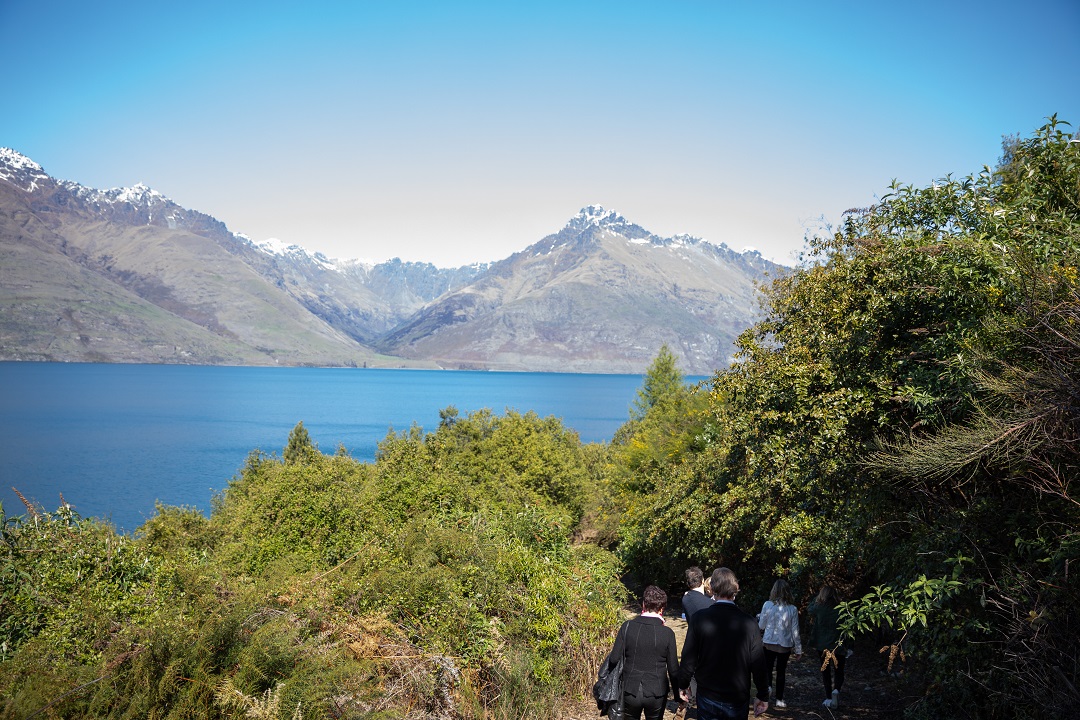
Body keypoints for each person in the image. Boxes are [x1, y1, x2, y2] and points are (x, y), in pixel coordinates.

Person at [678, 568, 769, 719]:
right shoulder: (749, 623)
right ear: (736, 589)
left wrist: (683, 683)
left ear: (712, 588)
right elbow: (758, 663)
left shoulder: (699, 618)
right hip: (736, 696)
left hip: (709, 694)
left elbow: (689, 658)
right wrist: (763, 694)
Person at [604, 585, 680, 720]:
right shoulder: (668, 633)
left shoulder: (627, 627)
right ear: (662, 609)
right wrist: (678, 695)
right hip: (657, 691)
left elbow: (614, 659)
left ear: (643, 604)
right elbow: (673, 670)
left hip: (630, 689)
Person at [757, 579, 802, 709]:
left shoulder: (767, 605)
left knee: (768, 669)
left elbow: (761, 625)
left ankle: (768, 690)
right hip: (784, 644)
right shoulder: (792, 609)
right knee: (781, 671)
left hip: (769, 642)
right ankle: (779, 699)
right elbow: (795, 630)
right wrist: (798, 649)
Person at [807, 585, 845, 709]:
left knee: (825, 670)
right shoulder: (842, 608)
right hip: (838, 645)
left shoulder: (819, 607)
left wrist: (816, 598)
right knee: (839, 670)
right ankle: (836, 690)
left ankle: (828, 697)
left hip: (822, 644)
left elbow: (809, 609)